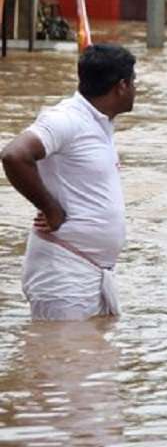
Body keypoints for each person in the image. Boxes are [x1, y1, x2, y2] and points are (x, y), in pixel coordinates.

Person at [1, 44, 136, 320]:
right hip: (63, 271)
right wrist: (51, 209)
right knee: (60, 360)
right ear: (122, 86)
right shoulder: (67, 119)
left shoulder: (99, 122)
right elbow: (14, 155)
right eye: (134, 82)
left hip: (94, 271)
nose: (136, 90)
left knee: (91, 359)